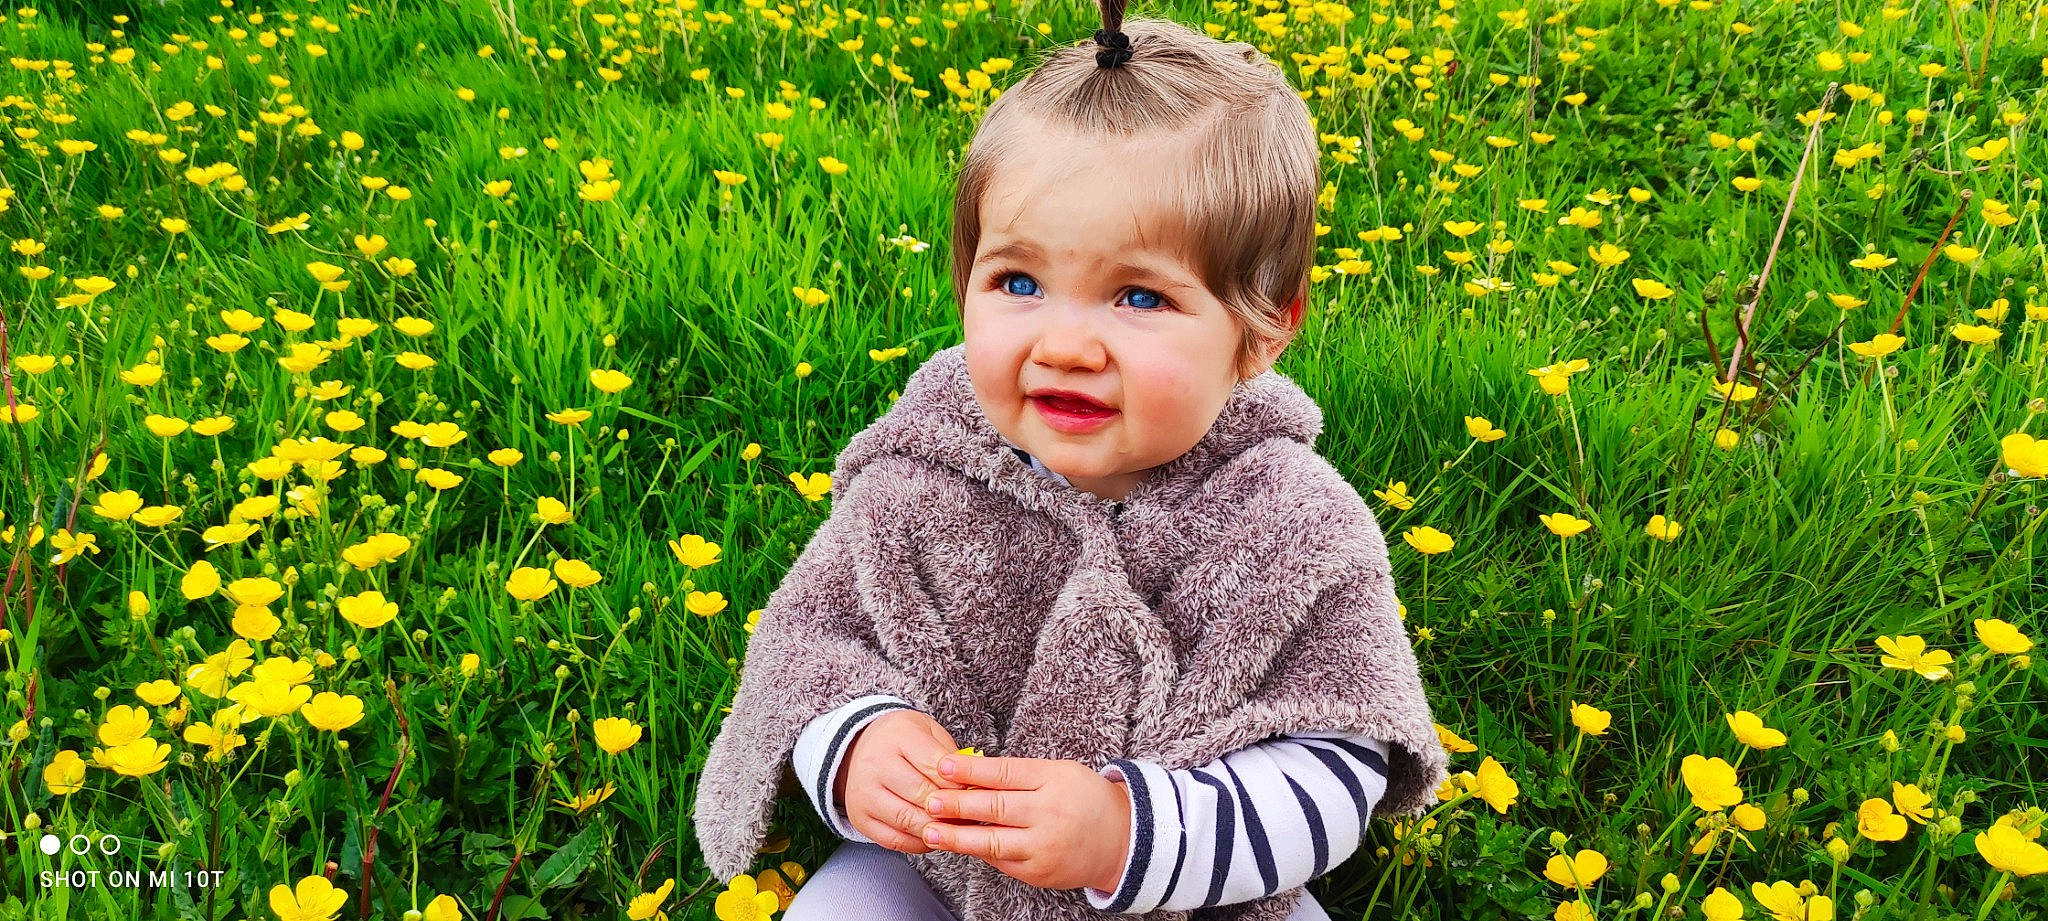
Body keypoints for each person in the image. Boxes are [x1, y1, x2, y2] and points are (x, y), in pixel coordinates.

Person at [691, 1, 1449, 919]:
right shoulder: (920, 475)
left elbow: (1335, 767)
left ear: (1262, 328)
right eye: (1018, 281)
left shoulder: (1292, 523)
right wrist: (856, 745)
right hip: (943, 869)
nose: (1066, 345)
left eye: (1137, 296)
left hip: (1195, 896)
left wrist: (1125, 830)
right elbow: (810, 647)